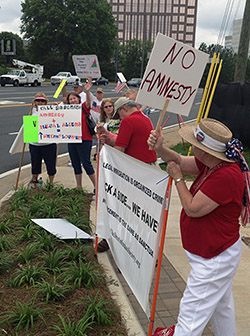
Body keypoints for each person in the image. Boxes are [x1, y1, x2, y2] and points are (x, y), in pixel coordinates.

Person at [148, 118, 246, 336]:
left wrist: (178, 179)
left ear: (206, 151)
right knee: (221, 309)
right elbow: (180, 161)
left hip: (215, 257)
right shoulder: (214, 163)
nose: (191, 146)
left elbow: (193, 208)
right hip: (214, 253)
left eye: (195, 144)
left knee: (190, 319)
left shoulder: (226, 175)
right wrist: (160, 148)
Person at [97, 97, 157, 252]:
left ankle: (115, 239)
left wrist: (109, 169)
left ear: (124, 109)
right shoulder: (145, 119)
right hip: (147, 169)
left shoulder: (128, 122)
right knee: (141, 211)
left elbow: (120, 151)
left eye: (119, 114)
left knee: (123, 207)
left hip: (134, 172)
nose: (119, 119)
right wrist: (110, 140)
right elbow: (128, 143)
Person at [66, 82, 96, 191]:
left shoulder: (83, 107)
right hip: (72, 139)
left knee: (86, 163)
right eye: (71, 99)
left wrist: (87, 91)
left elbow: (89, 103)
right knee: (75, 163)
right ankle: (79, 186)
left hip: (85, 139)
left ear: (79, 99)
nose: (73, 100)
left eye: (74, 98)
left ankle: (96, 186)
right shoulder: (67, 111)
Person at [29, 93, 57, 188]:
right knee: (35, 164)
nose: (40, 103)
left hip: (48, 143)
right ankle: (34, 181)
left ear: (46, 102)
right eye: (38, 100)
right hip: (35, 144)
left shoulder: (51, 111)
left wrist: (58, 109)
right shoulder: (31, 112)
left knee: (51, 164)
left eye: (42, 101)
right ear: (35, 102)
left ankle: (51, 183)